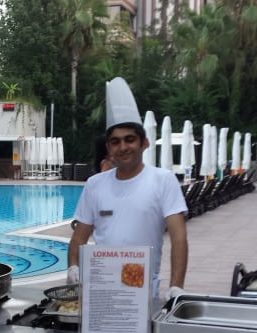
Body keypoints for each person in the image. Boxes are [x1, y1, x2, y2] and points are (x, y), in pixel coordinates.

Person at [67, 77, 188, 300]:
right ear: (108, 148)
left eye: (130, 139)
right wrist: (73, 266)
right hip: (102, 288)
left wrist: (176, 286)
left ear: (144, 143)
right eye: (115, 142)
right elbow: (79, 236)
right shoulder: (95, 185)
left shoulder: (164, 180)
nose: (123, 147)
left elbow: (179, 238)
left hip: (142, 290)